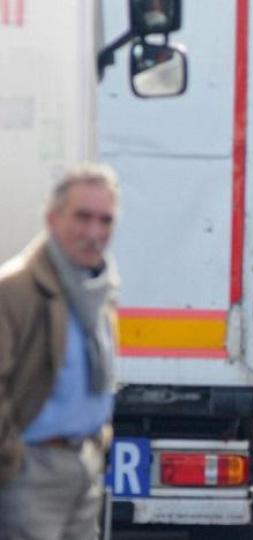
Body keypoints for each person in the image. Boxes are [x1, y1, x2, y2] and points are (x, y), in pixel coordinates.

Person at [0, 164, 121, 540]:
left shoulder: (97, 289)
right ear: (52, 219)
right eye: (82, 217)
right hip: (33, 470)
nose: (94, 233)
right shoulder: (16, 288)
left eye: (105, 220)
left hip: (82, 465)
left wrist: (97, 445)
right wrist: (11, 461)